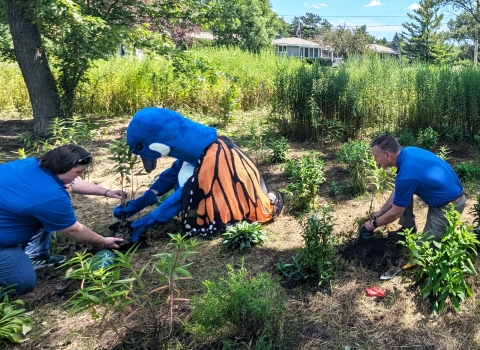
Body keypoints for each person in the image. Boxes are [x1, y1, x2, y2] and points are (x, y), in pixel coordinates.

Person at [113, 107, 282, 242]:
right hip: (203, 160)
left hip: (221, 187)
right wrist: (140, 202)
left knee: (198, 191)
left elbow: (183, 195)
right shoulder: (192, 154)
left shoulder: (213, 158)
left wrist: (147, 221)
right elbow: (171, 175)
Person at [0, 145, 124, 296]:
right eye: (78, 172)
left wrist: (106, 192)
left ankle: (36, 256)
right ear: (63, 166)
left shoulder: (35, 165)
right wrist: (103, 242)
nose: (81, 176)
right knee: (22, 283)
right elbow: (73, 229)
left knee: (44, 214)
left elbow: (71, 181)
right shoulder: (49, 195)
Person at [363, 134, 465, 241]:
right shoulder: (408, 151)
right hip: (446, 195)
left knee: (425, 251)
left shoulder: (407, 175)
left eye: (376, 156)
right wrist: (381, 212)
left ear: (388, 155)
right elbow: (399, 190)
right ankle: (408, 229)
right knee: (402, 196)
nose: (375, 160)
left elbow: (396, 212)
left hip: (449, 206)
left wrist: (374, 224)